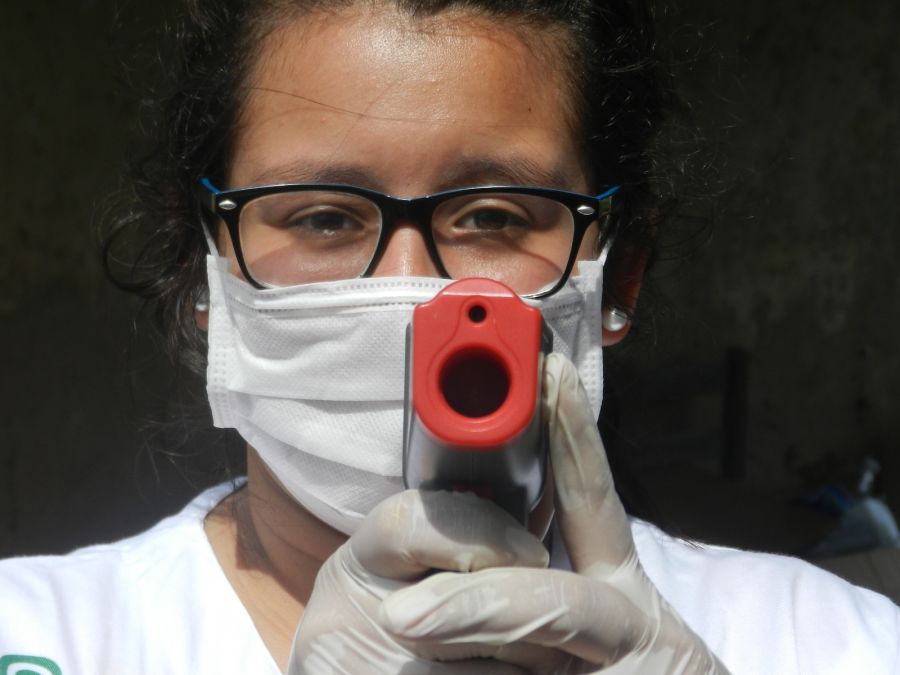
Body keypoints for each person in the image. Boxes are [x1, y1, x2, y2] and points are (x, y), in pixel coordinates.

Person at [1, 1, 897, 673]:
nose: (409, 292)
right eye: (321, 217)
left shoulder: (826, 642)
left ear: (619, 272)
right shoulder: (38, 635)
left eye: (494, 215)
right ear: (202, 266)